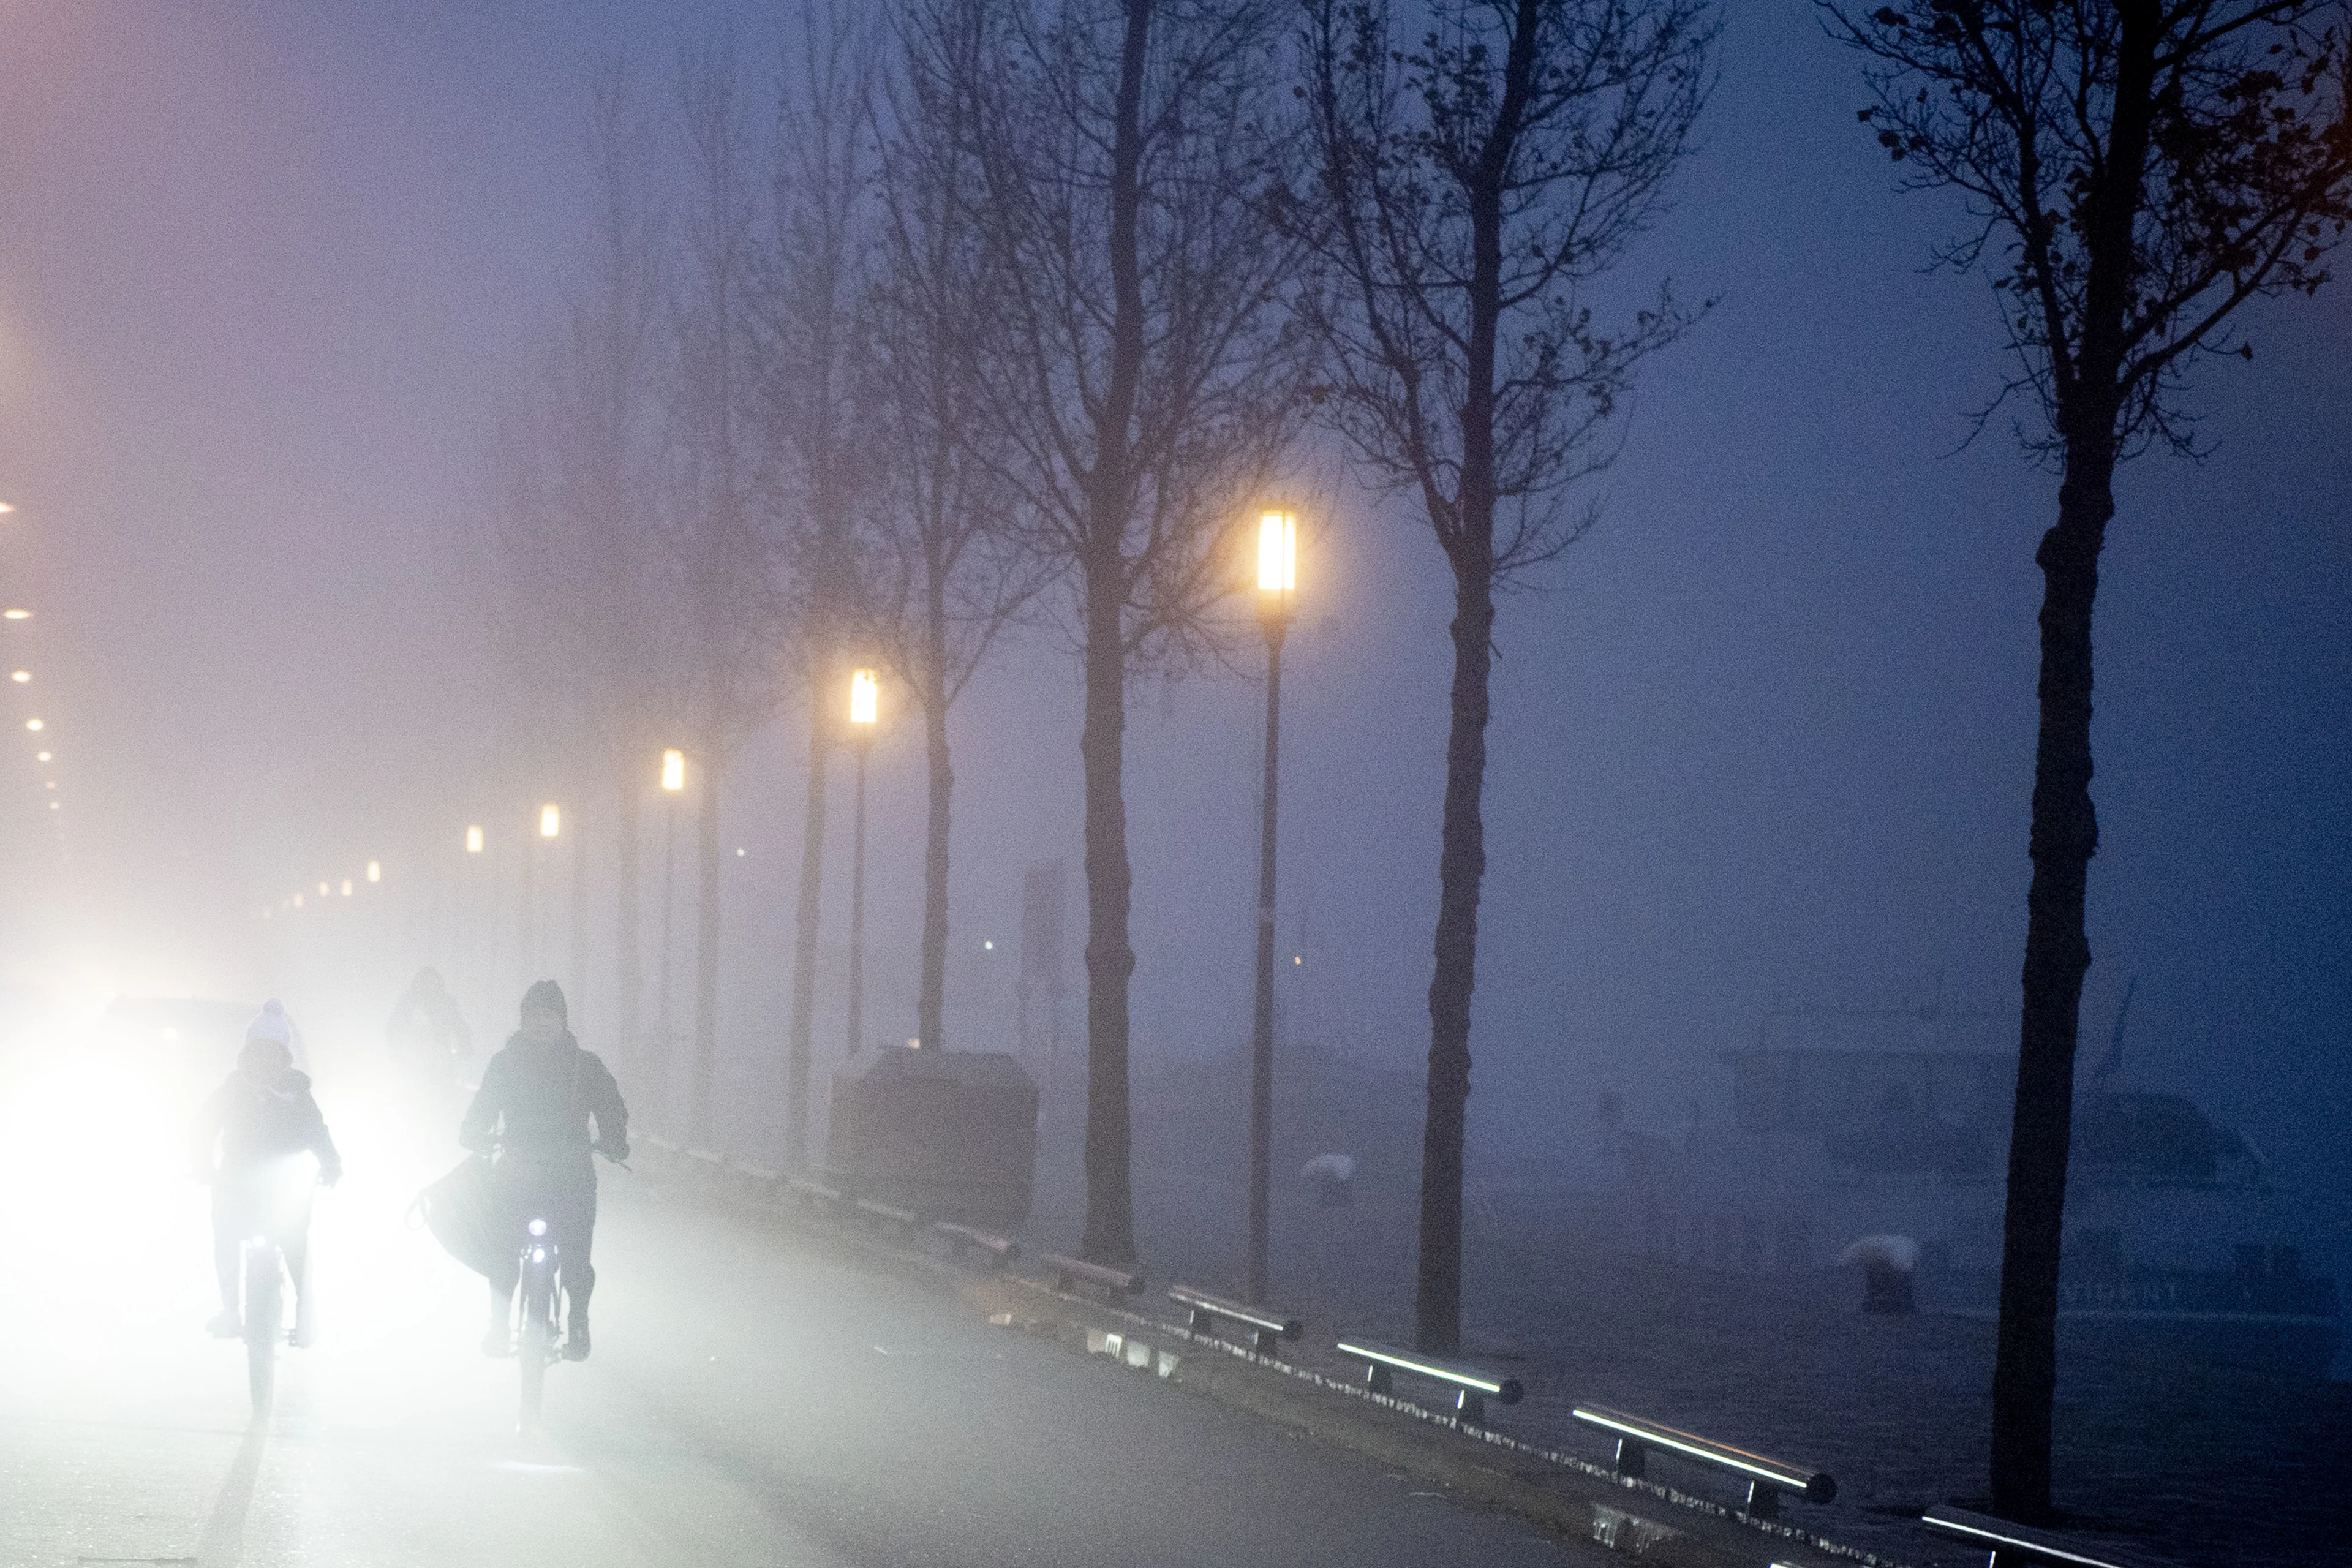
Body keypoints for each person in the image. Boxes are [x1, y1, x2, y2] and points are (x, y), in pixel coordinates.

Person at [459, 979, 627, 1361]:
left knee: (576, 1258)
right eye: (535, 1015)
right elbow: (483, 1107)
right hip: (519, 1173)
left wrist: (615, 1138)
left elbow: (611, 1107)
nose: (542, 1023)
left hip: (570, 1176)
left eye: (549, 1015)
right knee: (501, 1253)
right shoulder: (504, 1065)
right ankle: (499, 1327)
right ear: (523, 1021)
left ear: (563, 1020)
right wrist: (473, 1133)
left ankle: (578, 1323)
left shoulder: (587, 1067)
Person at [192, 1000, 342, 1345]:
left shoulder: (298, 1096)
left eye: (272, 1055)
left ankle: (305, 1315)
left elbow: (318, 1132)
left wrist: (332, 1164)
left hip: (285, 1190)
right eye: (258, 1054)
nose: (265, 1062)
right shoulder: (232, 1091)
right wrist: (203, 1164)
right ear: (246, 1056)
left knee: (294, 1240)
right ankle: (230, 1311)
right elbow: (203, 1126)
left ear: (284, 1059)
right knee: (226, 1235)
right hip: (235, 1183)